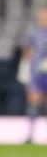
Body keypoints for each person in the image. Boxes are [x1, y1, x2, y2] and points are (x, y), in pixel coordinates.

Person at [19, 7, 47, 144]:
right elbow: (28, 50)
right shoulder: (34, 32)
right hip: (37, 73)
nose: (42, 20)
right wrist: (23, 68)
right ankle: (30, 134)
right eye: (41, 17)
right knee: (34, 103)